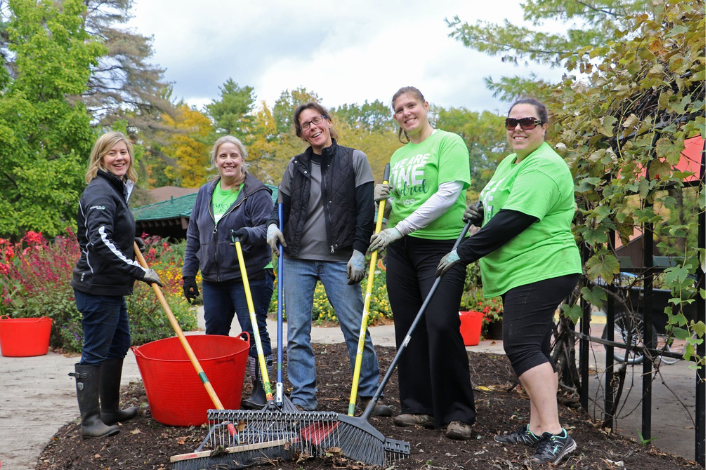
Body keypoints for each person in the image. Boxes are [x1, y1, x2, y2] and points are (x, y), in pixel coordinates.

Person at [436, 98, 582, 464]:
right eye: (511, 122)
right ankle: (537, 428)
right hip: (522, 269)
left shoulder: (544, 166)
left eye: (528, 122)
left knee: (520, 346)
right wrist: (480, 209)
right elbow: (498, 203)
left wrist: (462, 253)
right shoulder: (510, 163)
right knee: (534, 346)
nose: (518, 128)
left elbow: (514, 219)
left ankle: (555, 434)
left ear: (543, 127)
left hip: (542, 267)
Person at [266, 102, 390, 416]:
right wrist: (271, 225)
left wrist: (360, 251)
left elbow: (365, 210)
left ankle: (368, 392)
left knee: (355, 327)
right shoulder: (296, 165)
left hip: (340, 258)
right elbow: (281, 204)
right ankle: (305, 399)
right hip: (297, 258)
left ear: (328, 121)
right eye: (305, 125)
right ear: (301, 133)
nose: (312, 127)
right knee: (297, 332)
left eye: (316, 120)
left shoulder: (354, 159)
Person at [367, 86, 476, 440]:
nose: (405, 112)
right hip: (401, 251)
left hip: (440, 248)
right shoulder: (398, 156)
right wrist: (379, 199)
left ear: (426, 106)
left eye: (411, 105)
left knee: (442, 323)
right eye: (398, 109)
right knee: (409, 328)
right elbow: (400, 202)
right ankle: (418, 407)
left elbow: (447, 196)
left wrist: (397, 229)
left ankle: (458, 412)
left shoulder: (448, 143)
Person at [70, 131, 163, 438]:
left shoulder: (115, 189)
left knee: (118, 344)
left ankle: (109, 410)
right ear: (100, 158)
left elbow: (111, 233)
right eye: (112, 153)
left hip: (111, 288)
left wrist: (128, 240)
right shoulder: (99, 192)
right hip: (96, 287)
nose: (120, 157)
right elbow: (98, 241)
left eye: (124, 152)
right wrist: (139, 271)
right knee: (95, 351)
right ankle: (89, 421)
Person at [182, 135, 275, 409]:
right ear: (216, 161)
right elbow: (193, 235)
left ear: (242, 159)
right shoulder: (205, 192)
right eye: (223, 156)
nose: (228, 160)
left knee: (253, 331)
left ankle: (262, 388)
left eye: (234, 155)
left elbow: (267, 227)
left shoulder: (257, 192)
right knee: (215, 335)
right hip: (213, 278)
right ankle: (220, 386)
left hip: (250, 274)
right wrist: (189, 273)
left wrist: (248, 233)